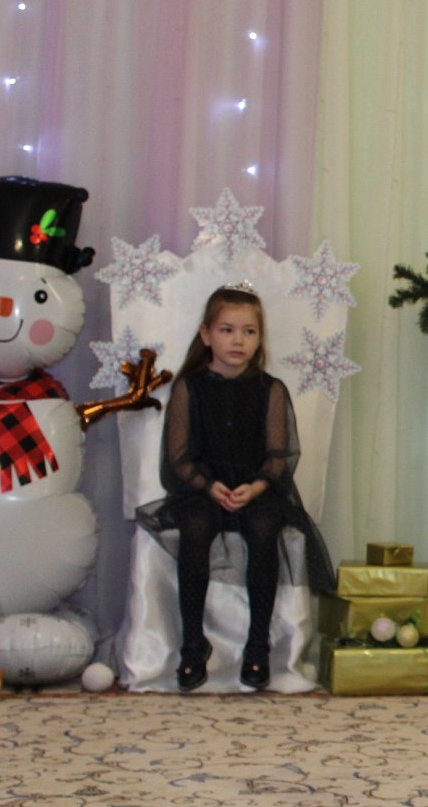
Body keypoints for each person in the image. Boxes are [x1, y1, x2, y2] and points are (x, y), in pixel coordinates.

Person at [136, 283, 333, 692]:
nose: (238, 340)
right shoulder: (189, 388)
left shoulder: (270, 389)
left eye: (249, 331)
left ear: (260, 338)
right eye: (227, 330)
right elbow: (178, 456)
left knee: (264, 528)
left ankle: (257, 646)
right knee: (195, 528)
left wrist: (256, 487)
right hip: (201, 490)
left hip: (257, 491)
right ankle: (193, 646)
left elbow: (279, 455)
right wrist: (209, 486)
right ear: (207, 335)